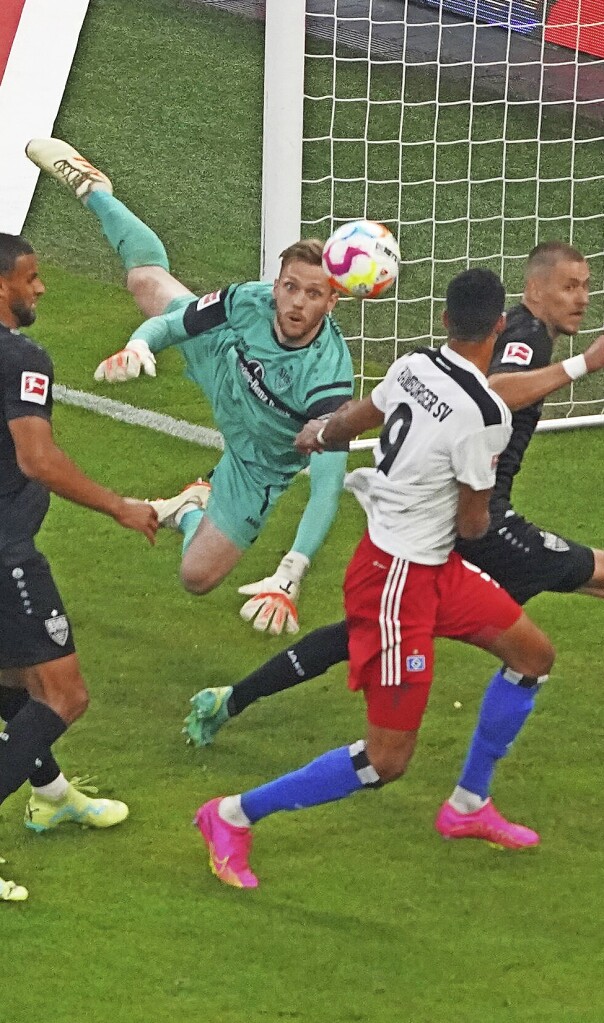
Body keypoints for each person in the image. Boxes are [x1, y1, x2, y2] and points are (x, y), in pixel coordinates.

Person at [185, 241, 604, 849]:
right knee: (386, 761)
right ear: (498, 325)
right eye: (574, 285)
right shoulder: (482, 415)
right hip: (398, 581)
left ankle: (467, 804)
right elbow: (473, 526)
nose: (583, 296)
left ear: (442, 322)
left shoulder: (412, 366)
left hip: (432, 567)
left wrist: (319, 432)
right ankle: (231, 816)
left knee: (533, 655)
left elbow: (356, 419)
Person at [25, 138, 355, 636]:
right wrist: (140, 346)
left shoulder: (329, 378)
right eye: (289, 286)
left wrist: (291, 572)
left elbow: (327, 487)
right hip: (223, 361)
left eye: (313, 294)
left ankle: (192, 505)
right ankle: (95, 191)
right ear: (278, 282)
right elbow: (175, 328)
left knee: (196, 577)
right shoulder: (250, 300)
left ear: (332, 303)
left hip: (257, 460)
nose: (294, 302)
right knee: (147, 283)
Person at [0, 233, 157, 901]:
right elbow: (36, 457)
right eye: (30, 278)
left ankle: (52, 793)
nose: (40, 289)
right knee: (64, 695)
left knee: (12, 680)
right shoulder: (21, 357)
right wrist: (119, 505)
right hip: (6, 553)